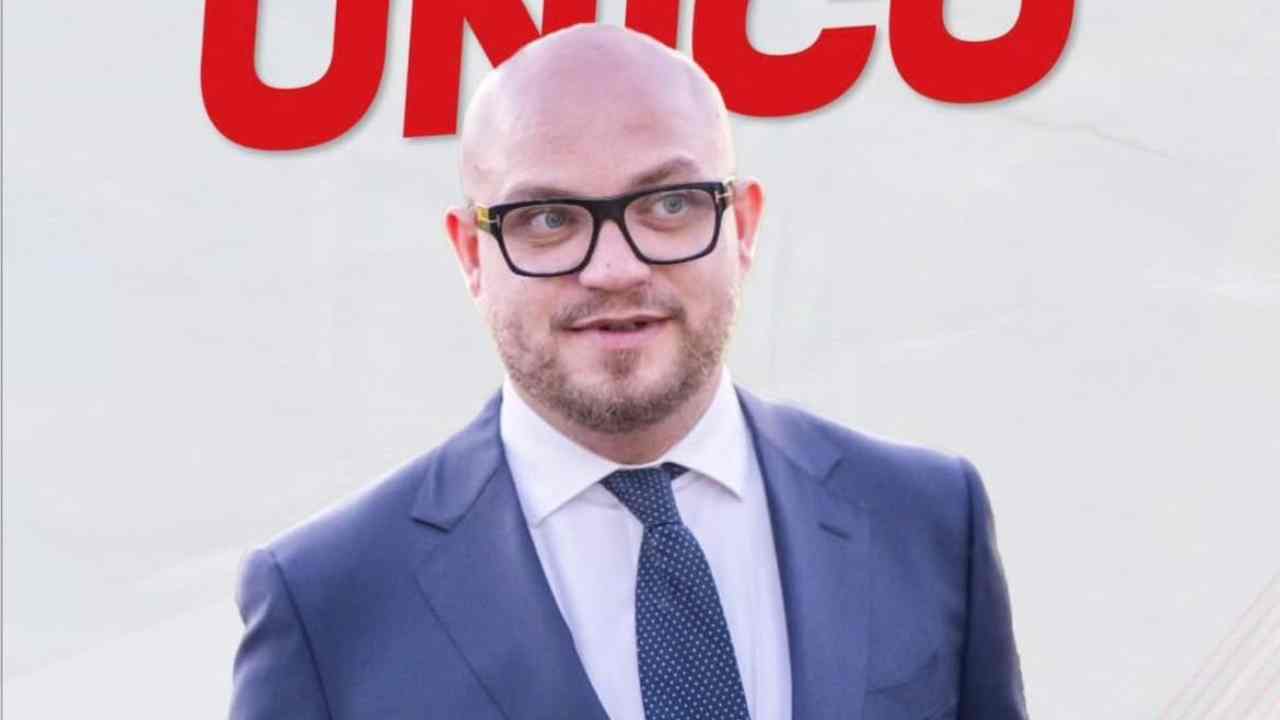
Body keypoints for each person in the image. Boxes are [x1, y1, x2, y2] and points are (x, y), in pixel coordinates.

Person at [229, 23, 1027, 720]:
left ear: (743, 227)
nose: (613, 268)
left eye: (669, 205)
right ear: (472, 254)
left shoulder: (926, 520)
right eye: (547, 218)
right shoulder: (326, 603)